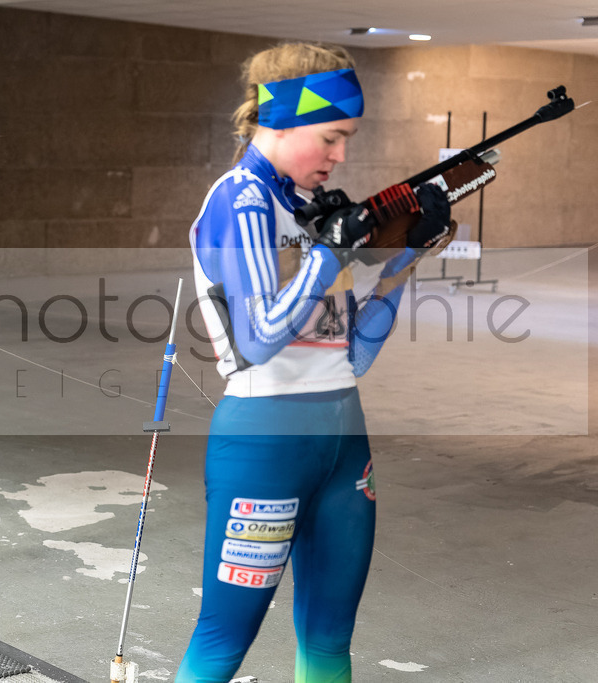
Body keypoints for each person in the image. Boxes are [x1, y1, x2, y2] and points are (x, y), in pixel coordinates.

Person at [177, 42, 451, 682]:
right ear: (281, 120)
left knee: (329, 641)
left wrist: (406, 256)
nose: (340, 155)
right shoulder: (240, 199)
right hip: (267, 443)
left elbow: (350, 355)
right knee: (222, 643)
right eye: (330, 136)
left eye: (347, 139)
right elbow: (258, 338)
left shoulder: (309, 211)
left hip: (343, 441)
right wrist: (331, 254)